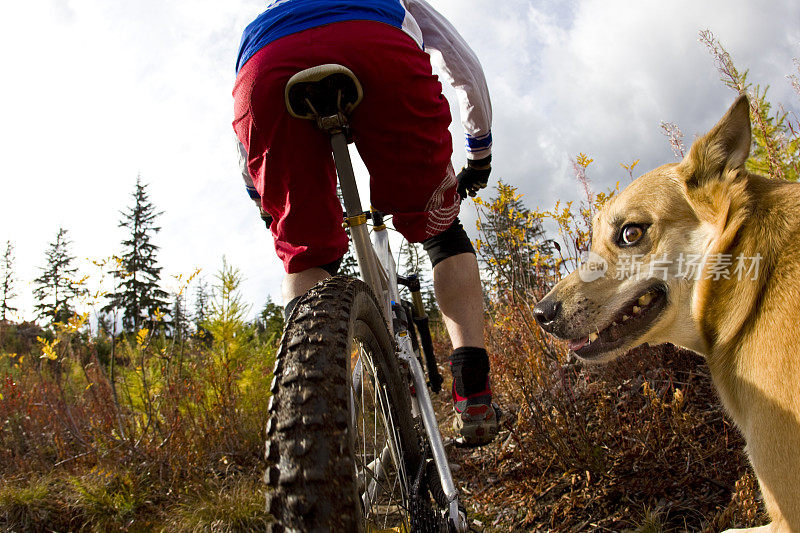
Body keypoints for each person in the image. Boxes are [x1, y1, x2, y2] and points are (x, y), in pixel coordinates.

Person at [233, 0, 498, 446]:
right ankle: (473, 386)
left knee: (306, 257)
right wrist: (479, 150)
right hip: (379, 51)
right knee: (441, 230)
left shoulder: (266, 11)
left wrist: (263, 197)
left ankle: (308, 414)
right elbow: (463, 64)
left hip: (267, 66)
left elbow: (245, 127)